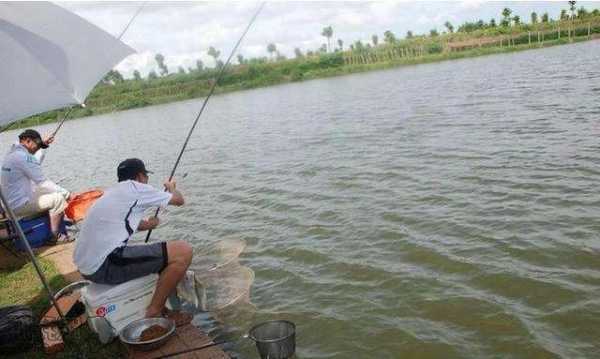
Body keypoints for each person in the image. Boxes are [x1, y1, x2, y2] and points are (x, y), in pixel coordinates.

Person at [73, 158, 193, 323]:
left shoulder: (113, 193)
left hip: (87, 267)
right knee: (183, 251)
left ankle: (160, 303)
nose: (147, 181)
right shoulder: (136, 188)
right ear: (139, 176)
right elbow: (179, 201)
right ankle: (155, 311)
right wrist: (172, 188)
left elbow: (123, 221)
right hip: (104, 266)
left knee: (160, 253)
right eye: (146, 176)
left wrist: (150, 224)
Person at [0, 129, 71, 242]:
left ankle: (54, 220)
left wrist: (43, 145)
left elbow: (33, 163)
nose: (37, 148)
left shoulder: (12, 154)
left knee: (50, 191)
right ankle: (55, 236)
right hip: (18, 206)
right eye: (37, 145)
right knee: (58, 198)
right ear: (28, 141)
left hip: (9, 204)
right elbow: (42, 182)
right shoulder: (23, 157)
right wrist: (67, 193)